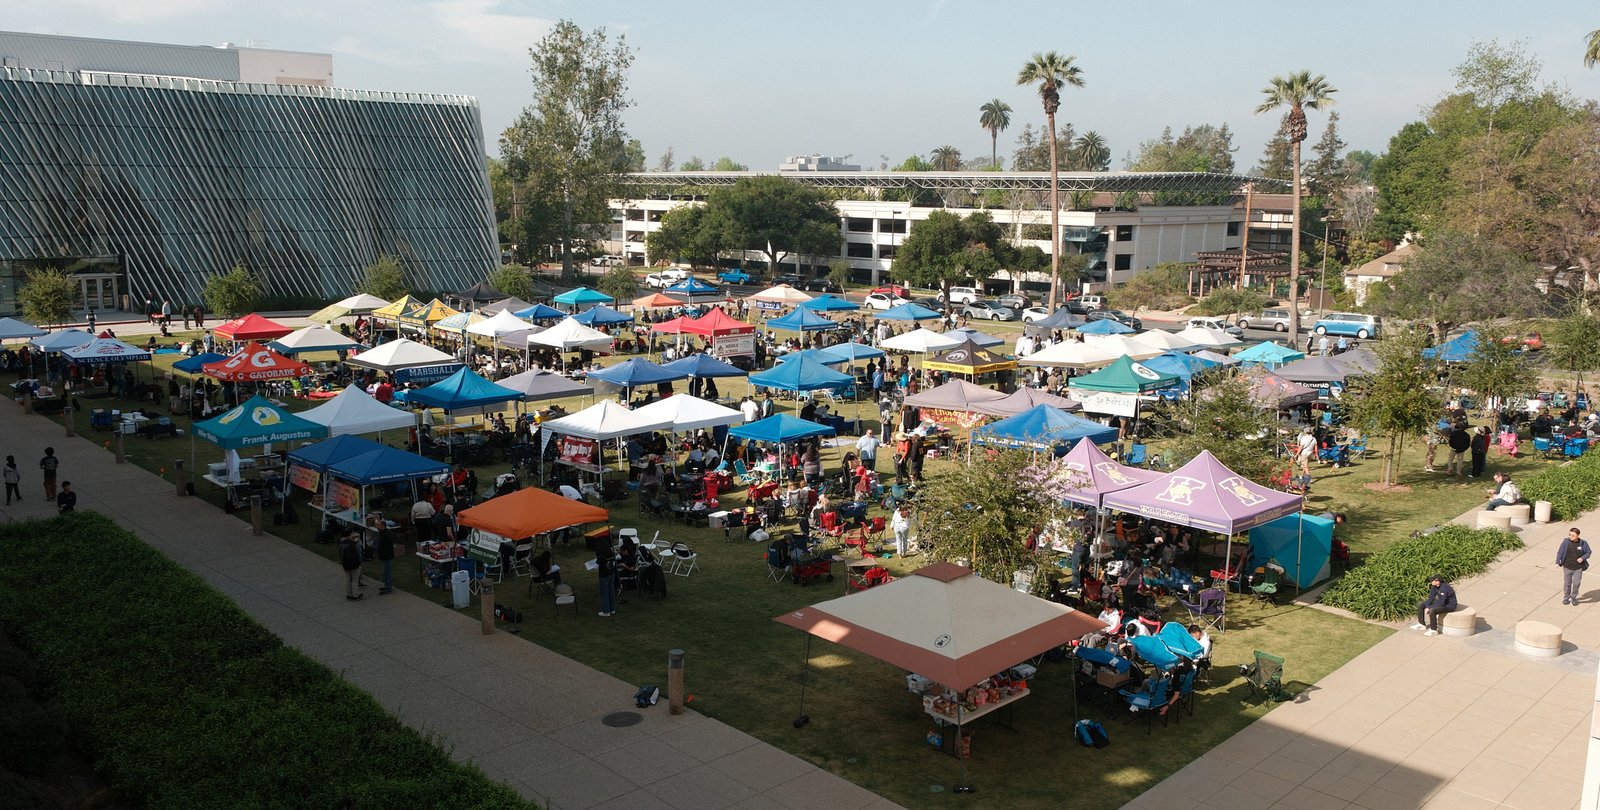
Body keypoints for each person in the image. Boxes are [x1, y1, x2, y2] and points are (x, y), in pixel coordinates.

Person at [1558, 528, 1591, 606]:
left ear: (1578, 536)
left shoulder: (1583, 543)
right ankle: (1566, 598)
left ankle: (1573, 597)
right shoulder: (1566, 542)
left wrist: (1582, 558)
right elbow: (1560, 552)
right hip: (1567, 566)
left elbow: (1588, 552)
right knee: (1567, 584)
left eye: (1573, 535)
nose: (1571, 537)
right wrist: (1558, 561)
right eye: (1570, 535)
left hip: (1578, 568)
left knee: (1576, 583)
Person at [339, 530, 365, 601]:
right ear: (349, 535)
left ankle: (349, 594)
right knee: (355, 580)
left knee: (347, 580)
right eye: (352, 533)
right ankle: (356, 594)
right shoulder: (354, 544)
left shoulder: (342, 544)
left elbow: (341, 554)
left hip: (346, 564)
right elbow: (359, 554)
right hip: (355, 564)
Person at [596, 546, 617, 617]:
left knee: (604, 593)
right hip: (611, 573)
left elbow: (596, 565)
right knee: (611, 591)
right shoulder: (611, 554)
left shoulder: (601, 556)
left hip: (604, 576)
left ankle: (606, 611)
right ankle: (612, 609)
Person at [375, 522, 395, 595]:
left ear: (382, 525)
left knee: (387, 572)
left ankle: (388, 587)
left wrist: (383, 554)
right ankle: (386, 585)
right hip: (384, 556)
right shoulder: (382, 533)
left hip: (386, 556)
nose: (376, 527)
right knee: (385, 572)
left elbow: (387, 547)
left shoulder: (386, 534)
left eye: (377, 525)